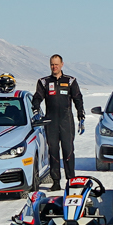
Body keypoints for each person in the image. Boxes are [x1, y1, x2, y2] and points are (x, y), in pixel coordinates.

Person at [33, 55, 85, 187]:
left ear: (62, 64)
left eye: (56, 64)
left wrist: (81, 114)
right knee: (53, 151)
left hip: (66, 121)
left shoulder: (70, 81)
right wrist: (35, 107)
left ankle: (71, 180)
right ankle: (56, 181)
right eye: (52, 64)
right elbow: (38, 97)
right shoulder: (44, 82)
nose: (54, 67)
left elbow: (77, 98)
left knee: (68, 150)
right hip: (51, 122)